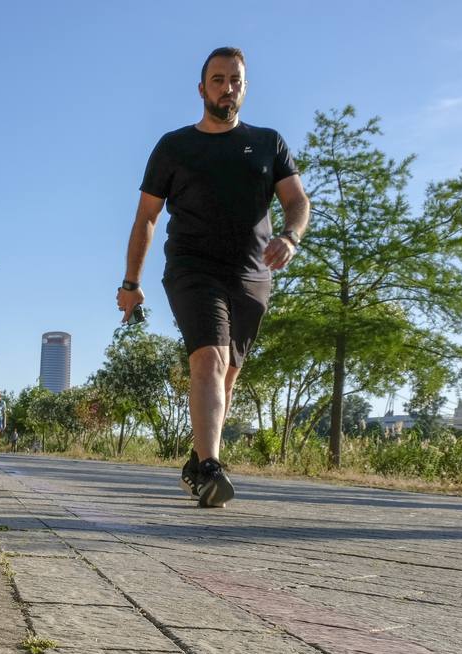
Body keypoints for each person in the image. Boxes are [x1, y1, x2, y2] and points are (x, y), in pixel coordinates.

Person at [116, 46, 310, 508]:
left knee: (227, 377)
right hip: (191, 268)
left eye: (235, 80)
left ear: (244, 87)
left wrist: (291, 236)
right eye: (219, 79)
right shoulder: (174, 146)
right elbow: (147, 217)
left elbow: (297, 202)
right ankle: (209, 470)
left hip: (252, 277)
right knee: (209, 359)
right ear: (202, 87)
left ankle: (198, 458)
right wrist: (131, 284)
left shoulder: (268, 143)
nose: (228, 88)